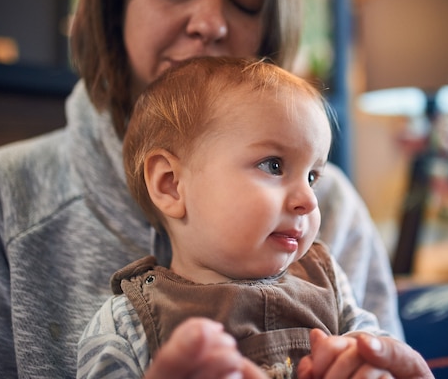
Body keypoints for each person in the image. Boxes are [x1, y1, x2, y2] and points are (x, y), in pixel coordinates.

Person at [0, 0, 404, 378]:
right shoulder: (4, 196)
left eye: (245, 2)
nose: (210, 23)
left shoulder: (334, 216)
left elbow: (382, 352)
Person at [77, 56, 419, 379]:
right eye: (273, 165)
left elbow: (381, 356)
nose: (309, 200)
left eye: (313, 177)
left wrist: (362, 362)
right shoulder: (129, 323)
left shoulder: (329, 281)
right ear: (171, 185)